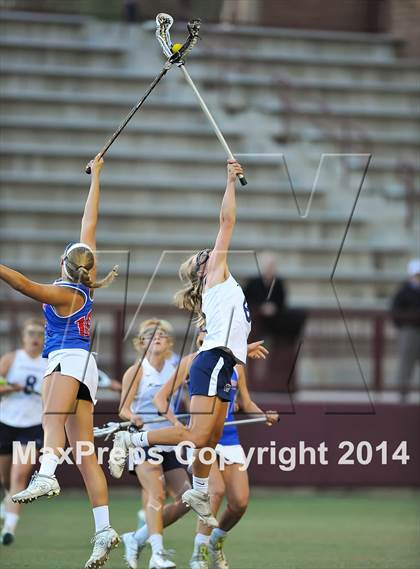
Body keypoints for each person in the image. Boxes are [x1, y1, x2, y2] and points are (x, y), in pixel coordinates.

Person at [109, 159, 254, 528]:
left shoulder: (220, 285)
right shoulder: (216, 276)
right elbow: (227, 222)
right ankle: (134, 440)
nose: (211, 253)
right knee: (196, 433)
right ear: (204, 271)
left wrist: (244, 350)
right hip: (212, 362)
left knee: (213, 435)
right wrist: (230, 182)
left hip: (223, 361)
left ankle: (199, 489)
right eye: (203, 258)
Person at [0, 154, 120, 569]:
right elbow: (91, 221)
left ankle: (47, 473)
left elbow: (22, 283)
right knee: (84, 451)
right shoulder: (81, 283)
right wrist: (97, 177)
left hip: (67, 359)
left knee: (51, 421)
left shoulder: (65, 292)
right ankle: (103, 528)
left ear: (64, 265)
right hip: (82, 362)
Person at [152, 331, 278, 569]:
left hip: (229, 439)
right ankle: (198, 554)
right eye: (204, 330)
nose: (207, 334)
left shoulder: (236, 365)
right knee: (214, 491)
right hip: (202, 438)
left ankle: (215, 542)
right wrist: (178, 425)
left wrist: (263, 416)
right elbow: (161, 399)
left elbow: (246, 402)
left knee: (239, 503)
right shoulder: (192, 362)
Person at [117, 318, 191, 569]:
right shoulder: (136, 371)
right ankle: (157, 554)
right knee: (156, 494)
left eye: (160, 334)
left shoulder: (175, 369)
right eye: (149, 335)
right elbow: (123, 409)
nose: (155, 337)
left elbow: (189, 401)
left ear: (169, 342)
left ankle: (136, 538)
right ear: (141, 343)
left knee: (188, 499)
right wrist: (133, 417)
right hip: (143, 440)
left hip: (169, 441)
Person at [0, 318, 46, 546]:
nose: (35, 338)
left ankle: (9, 528)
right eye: (31, 333)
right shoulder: (11, 359)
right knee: (5, 477)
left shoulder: (48, 363)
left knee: (19, 476)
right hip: (6, 423)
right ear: (23, 336)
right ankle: (7, 503)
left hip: (33, 426)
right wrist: (9, 388)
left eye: (39, 333)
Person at [390, 258, 420, 399]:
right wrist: (404, 326)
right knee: (406, 362)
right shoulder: (403, 292)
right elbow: (395, 311)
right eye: (417, 275)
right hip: (409, 331)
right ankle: (403, 392)